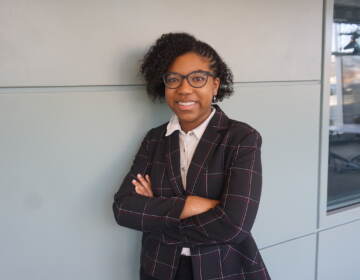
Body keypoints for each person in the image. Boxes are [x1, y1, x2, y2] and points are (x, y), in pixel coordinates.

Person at [112, 32, 271, 280]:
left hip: (222, 269)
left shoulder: (241, 138)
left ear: (215, 85)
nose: (184, 89)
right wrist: (190, 205)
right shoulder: (154, 139)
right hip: (160, 269)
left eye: (197, 78)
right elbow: (123, 209)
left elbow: (235, 226)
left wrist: (156, 215)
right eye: (174, 79)